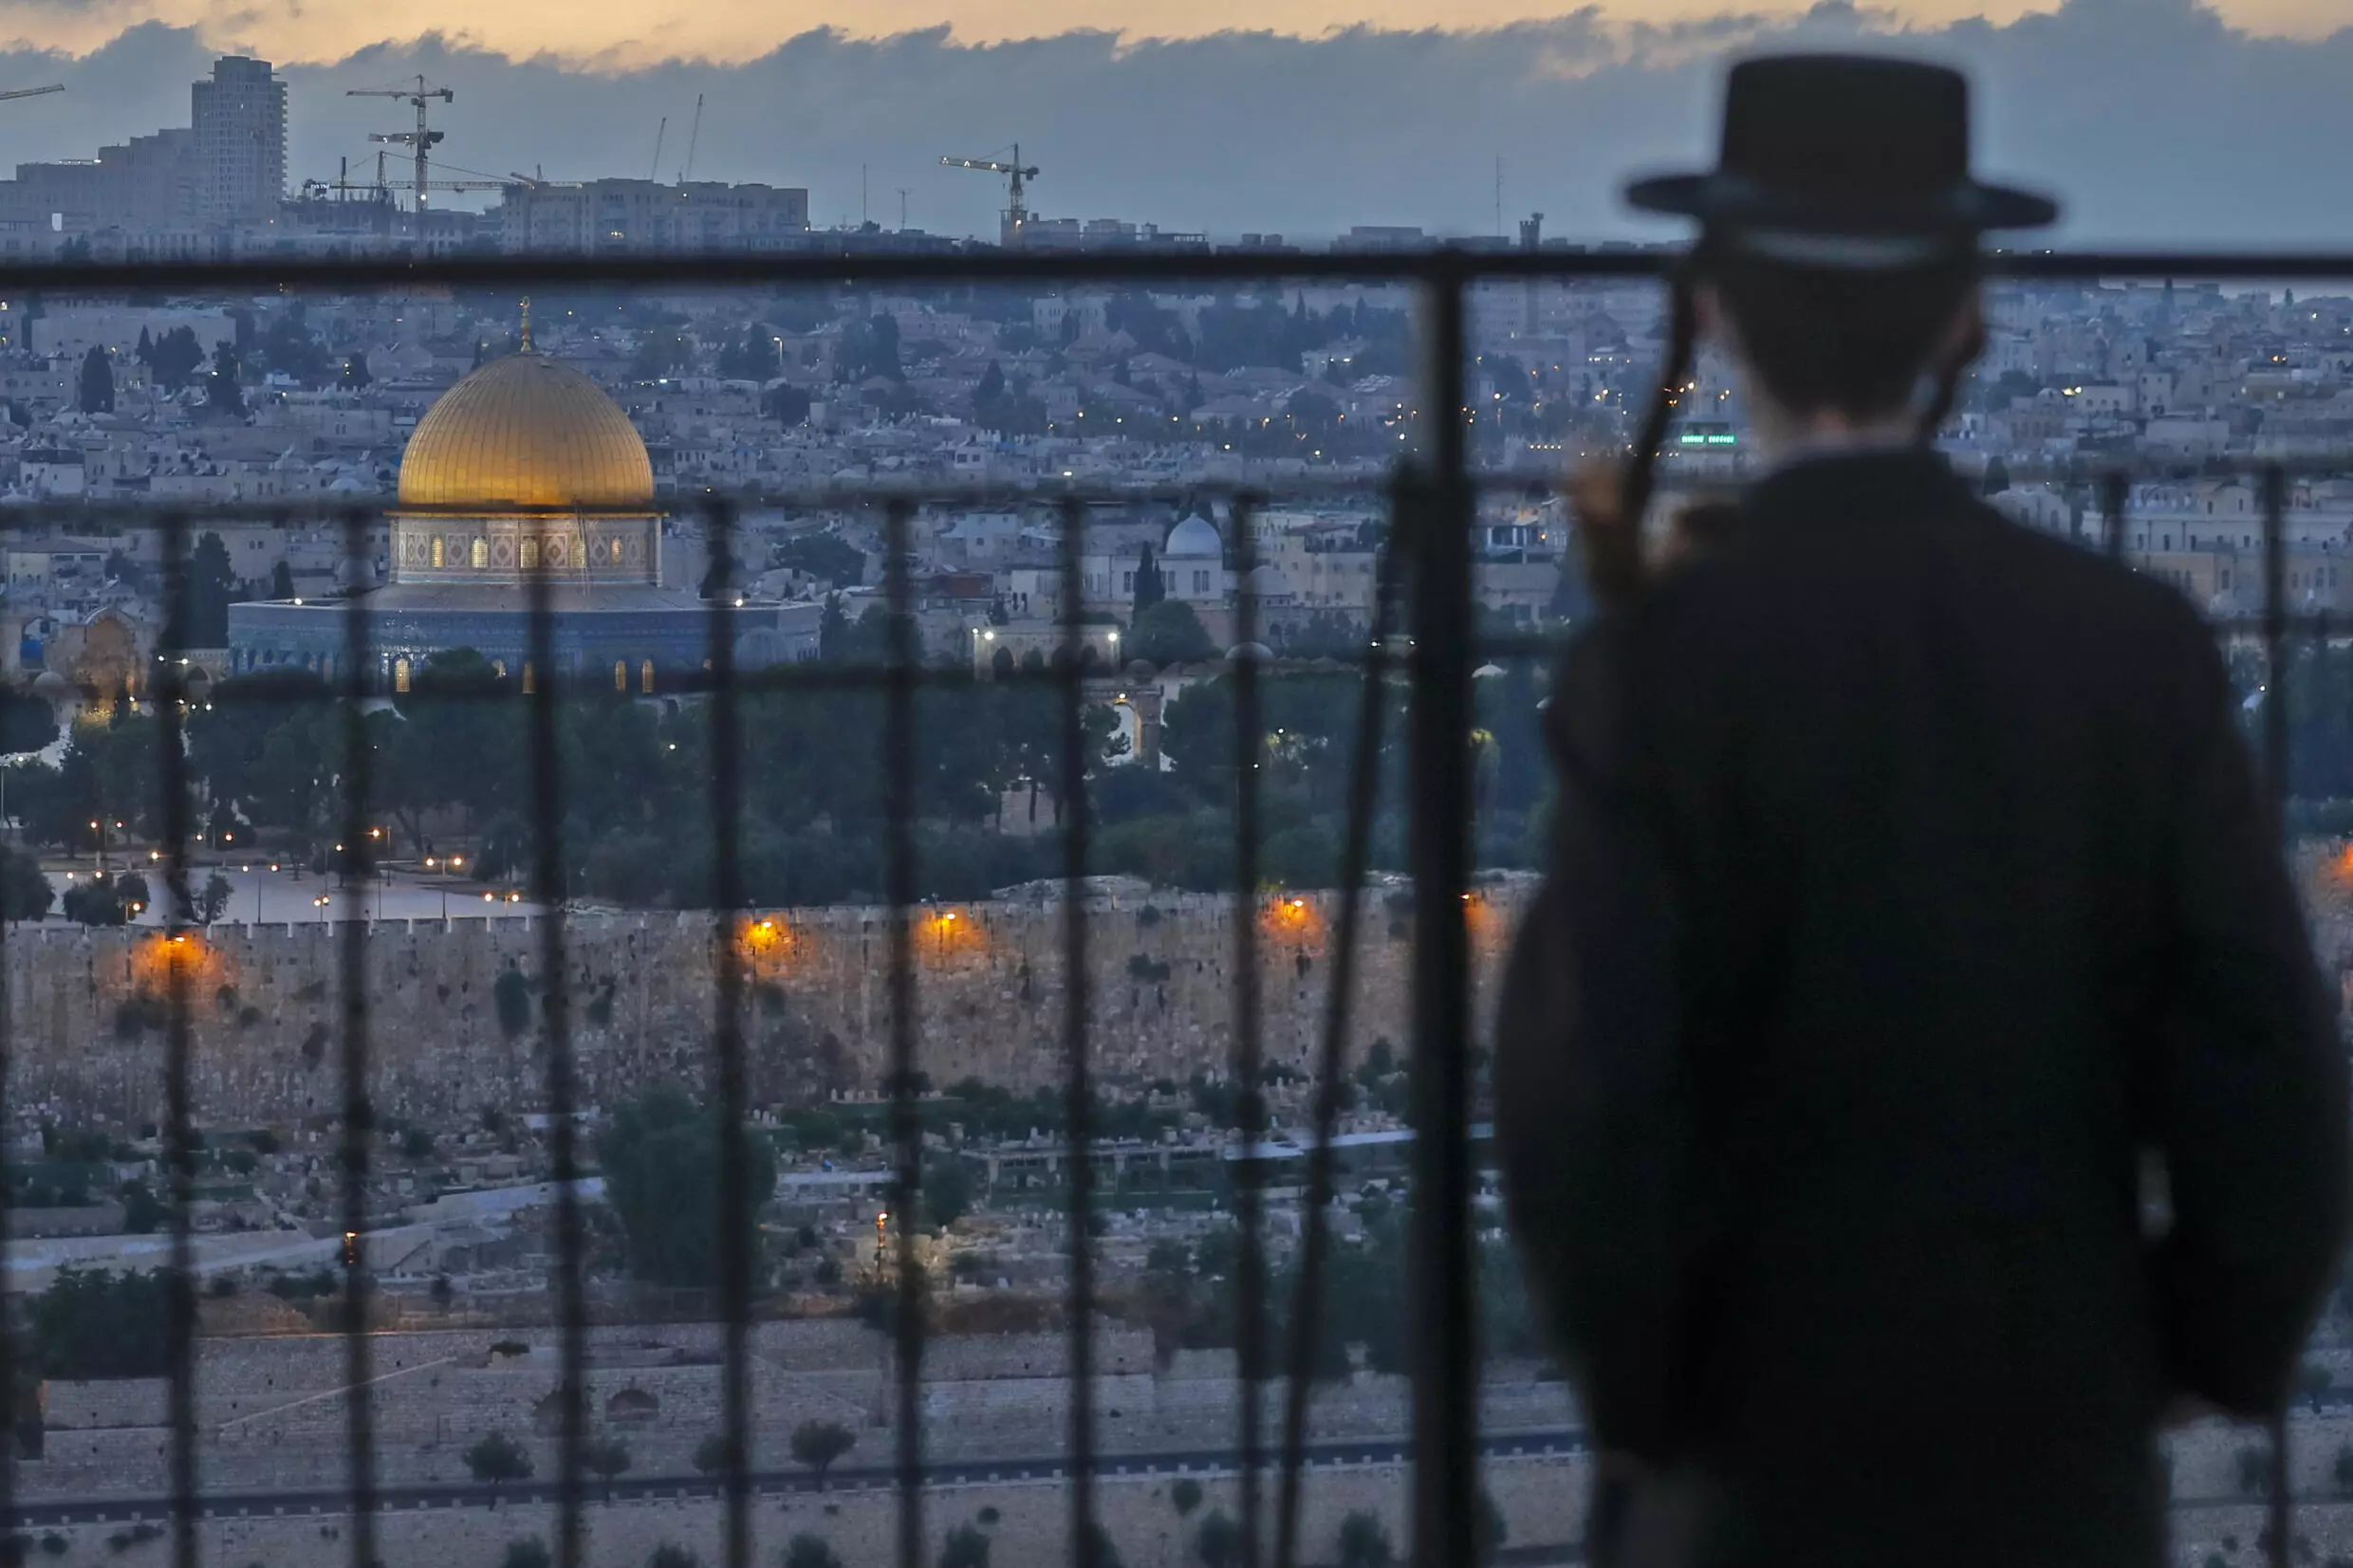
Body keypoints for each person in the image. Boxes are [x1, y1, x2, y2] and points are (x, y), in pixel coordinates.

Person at [1493, 53, 2349, 1568]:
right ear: (1969, 321)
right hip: (2056, 1436)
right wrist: (2196, 1351)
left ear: (1714, 312)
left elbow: (1587, 1088)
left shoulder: (1666, 666)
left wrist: (1641, 1388)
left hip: (1753, 1450)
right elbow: (2267, 1054)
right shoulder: (2130, 647)